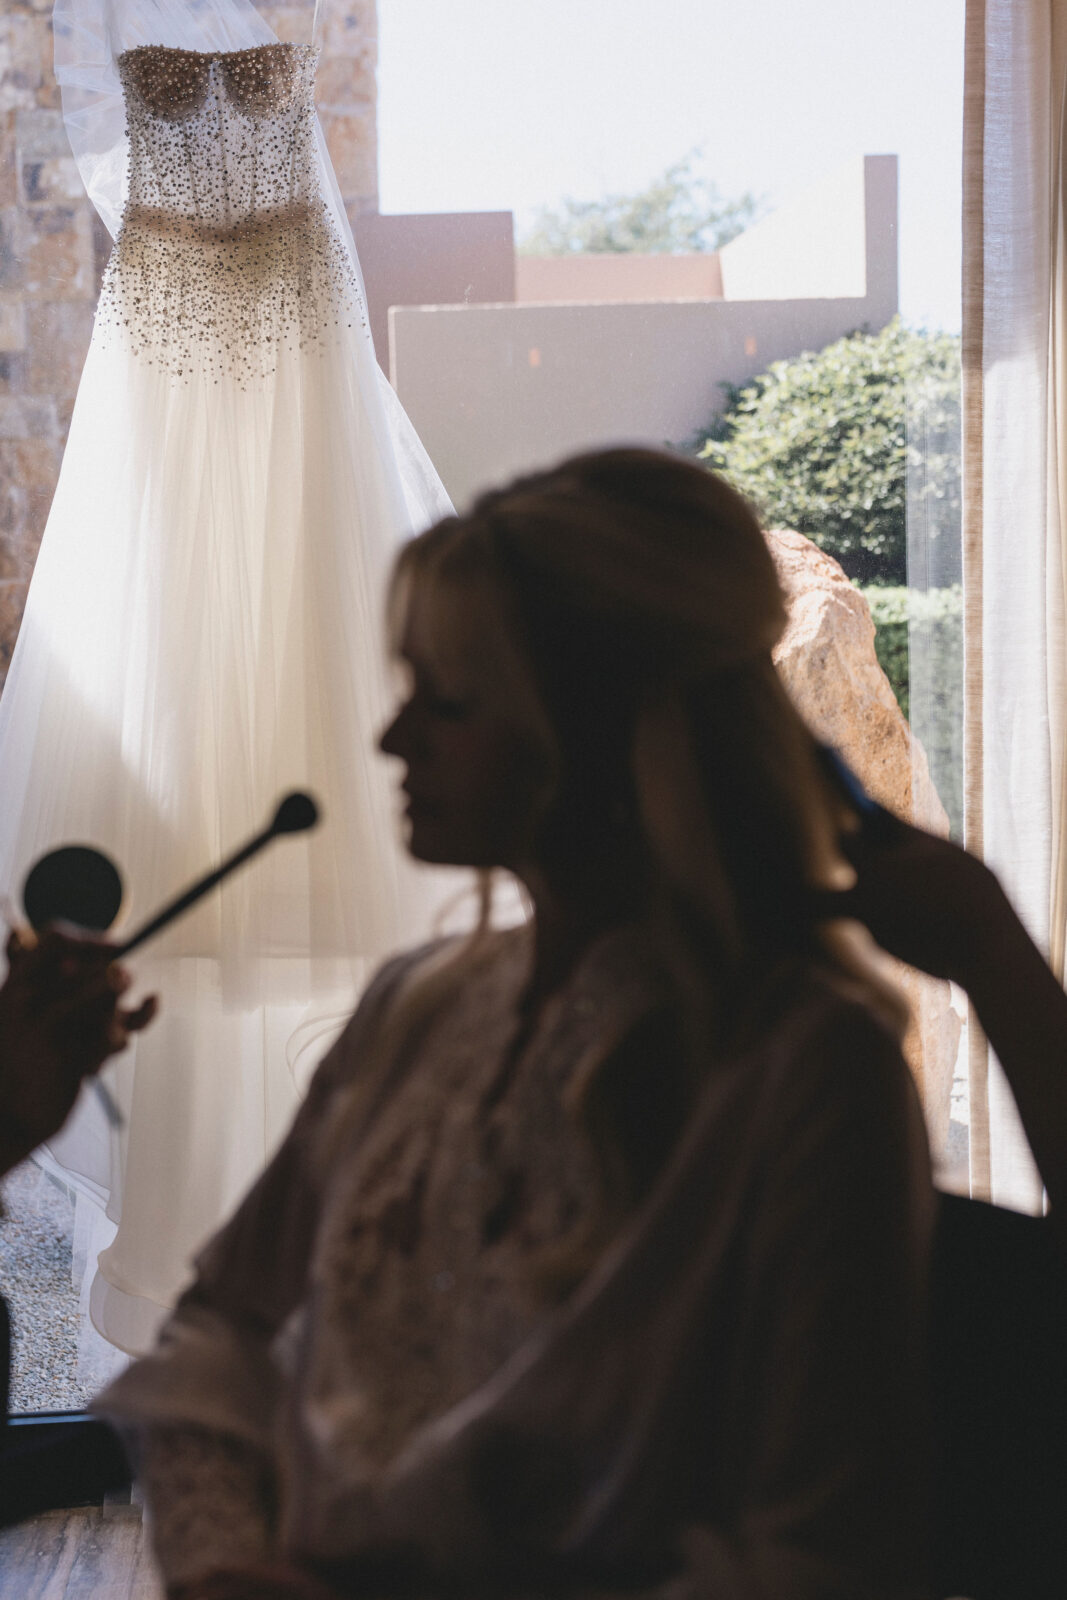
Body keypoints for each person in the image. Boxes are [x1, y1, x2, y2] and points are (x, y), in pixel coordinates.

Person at [96, 449, 936, 1600]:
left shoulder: (801, 1068)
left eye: (447, 702)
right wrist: (223, 1562)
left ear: (600, 728)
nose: (392, 745)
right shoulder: (414, 1008)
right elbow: (218, 1334)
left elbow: (812, 1553)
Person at [0, 0, 455, 1355]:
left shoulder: (280, 67)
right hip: (165, 352)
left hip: (302, 352)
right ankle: (217, 1306)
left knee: (303, 594)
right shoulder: (113, 50)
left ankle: (327, 1297)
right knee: (177, 640)